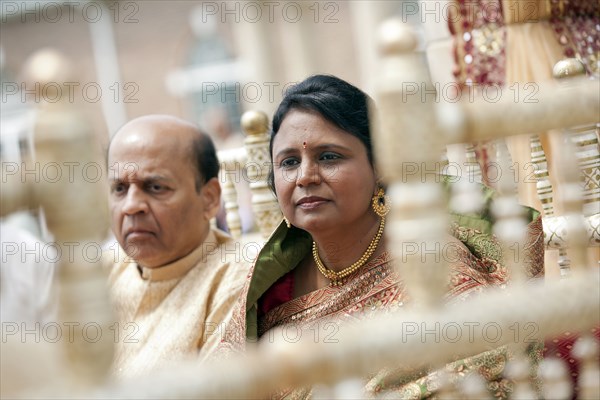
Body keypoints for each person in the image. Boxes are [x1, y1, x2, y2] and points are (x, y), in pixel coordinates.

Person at [217, 75, 545, 398]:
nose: (305, 176)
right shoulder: (269, 288)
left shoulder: (436, 272)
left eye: (329, 156)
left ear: (380, 167)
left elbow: (479, 375)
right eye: (289, 162)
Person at [105, 115, 249, 379]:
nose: (131, 205)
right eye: (119, 188)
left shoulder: (239, 279)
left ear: (209, 199)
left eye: (156, 187)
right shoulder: (102, 271)